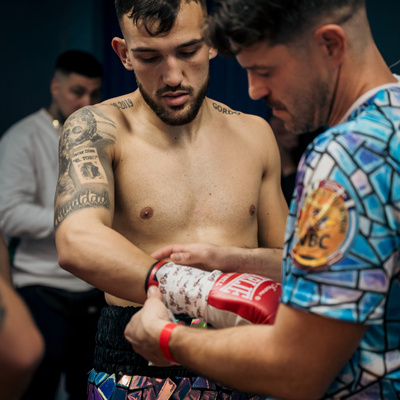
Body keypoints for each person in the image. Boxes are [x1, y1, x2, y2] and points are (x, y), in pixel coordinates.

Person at [124, 0, 400, 399]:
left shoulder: (345, 155)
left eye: (265, 71)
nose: (255, 90)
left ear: (330, 45)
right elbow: (367, 271)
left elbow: (297, 368)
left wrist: (167, 338)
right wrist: (238, 260)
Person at [53, 0, 288, 398]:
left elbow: (292, 265)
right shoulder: (97, 128)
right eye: (149, 57)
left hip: (245, 357)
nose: (173, 76)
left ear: (211, 41)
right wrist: (201, 291)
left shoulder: (255, 134)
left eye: (188, 51)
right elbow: (76, 241)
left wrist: (231, 261)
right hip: (137, 360)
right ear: (124, 54)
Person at [0, 50, 106, 400]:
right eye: (77, 92)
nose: (86, 103)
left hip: (93, 287)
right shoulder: (22, 138)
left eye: (94, 94)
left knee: (89, 390)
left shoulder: (99, 138)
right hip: (40, 287)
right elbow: (8, 213)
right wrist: (75, 217)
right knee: (38, 390)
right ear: (55, 87)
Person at [268, 115, 320, 205]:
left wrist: (287, 165)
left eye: (289, 115)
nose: (281, 123)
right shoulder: (265, 158)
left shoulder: (317, 157)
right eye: (275, 117)